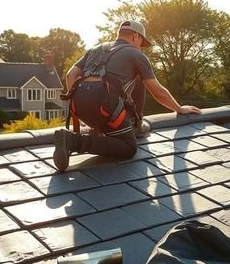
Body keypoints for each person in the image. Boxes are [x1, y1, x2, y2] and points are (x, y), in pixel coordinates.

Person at [53, 20, 201, 172]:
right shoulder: (135, 54)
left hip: (79, 105)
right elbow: (157, 91)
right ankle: (73, 142)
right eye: (142, 43)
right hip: (104, 106)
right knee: (128, 148)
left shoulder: (95, 49)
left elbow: (71, 75)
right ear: (136, 37)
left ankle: (127, 123)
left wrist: (81, 106)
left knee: (135, 80)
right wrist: (179, 108)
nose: (141, 48)